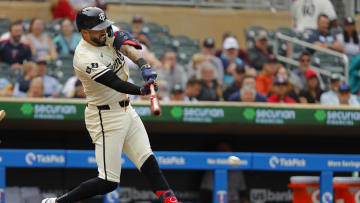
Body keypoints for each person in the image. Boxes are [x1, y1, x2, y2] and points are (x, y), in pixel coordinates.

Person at [42, 7, 181, 203]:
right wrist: (142, 90)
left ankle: (172, 200)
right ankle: (57, 202)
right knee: (108, 182)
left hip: (126, 110)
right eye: (98, 29)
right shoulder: (83, 57)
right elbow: (114, 82)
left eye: (105, 26)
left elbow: (125, 45)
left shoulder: (104, 32)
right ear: (84, 32)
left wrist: (143, 65)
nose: (104, 31)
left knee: (148, 161)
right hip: (105, 117)